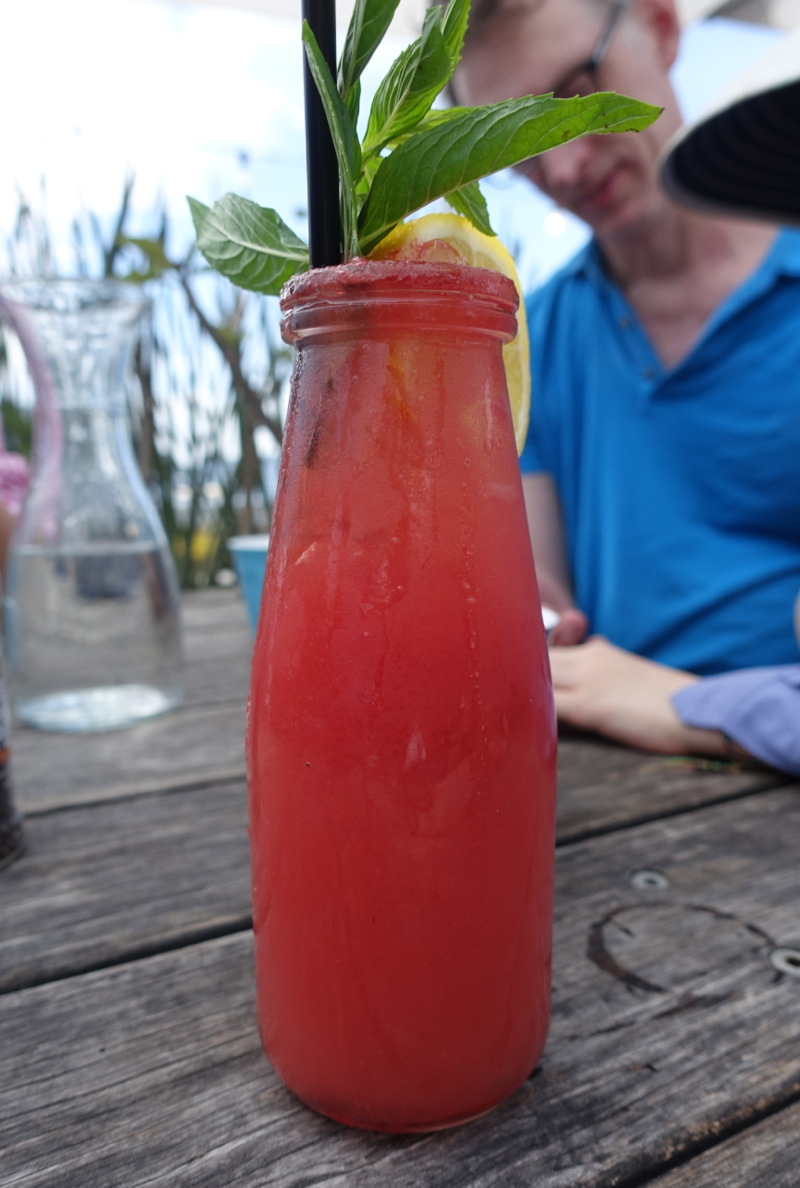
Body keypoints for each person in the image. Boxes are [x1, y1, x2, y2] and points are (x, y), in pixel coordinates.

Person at [451, 0, 800, 769]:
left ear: (662, 26)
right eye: (521, 148)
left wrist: (684, 707)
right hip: (619, 772)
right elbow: (540, 587)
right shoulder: (525, 339)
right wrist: (531, 612)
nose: (566, 167)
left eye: (579, 93)